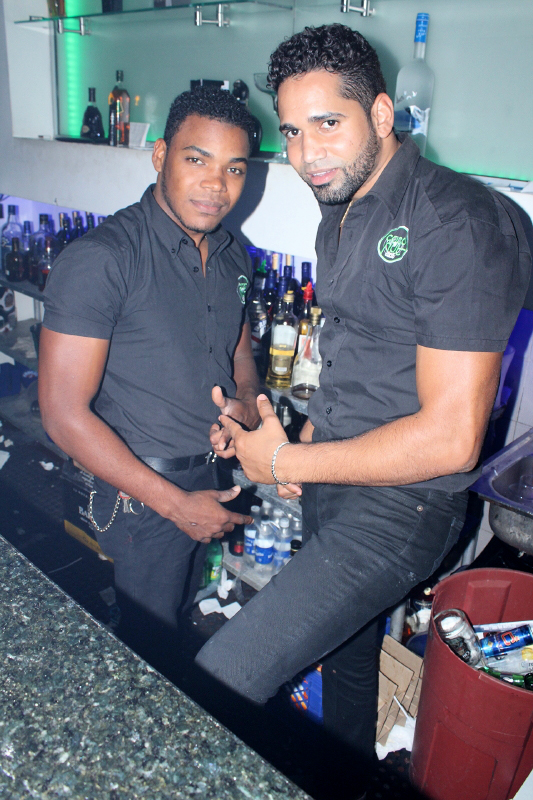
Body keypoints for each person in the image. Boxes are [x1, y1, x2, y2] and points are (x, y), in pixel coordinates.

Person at [196, 25, 531, 798]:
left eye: (327, 123)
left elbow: (451, 439)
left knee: (218, 681)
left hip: (403, 507)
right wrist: (303, 446)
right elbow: (361, 357)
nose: (306, 152)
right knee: (344, 676)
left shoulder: (455, 219)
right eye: (291, 130)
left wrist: (287, 459)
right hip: (337, 484)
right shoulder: (339, 208)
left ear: (381, 114)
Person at [39, 88, 260, 669]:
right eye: (197, 159)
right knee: (144, 656)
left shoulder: (234, 256)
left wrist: (244, 402)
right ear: (160, 155)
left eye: (234, 168)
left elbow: (240, 351)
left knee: (179, 625)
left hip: (209, 479)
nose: (216, 184)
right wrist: (176, 505)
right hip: (141, 496)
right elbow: (61, 413)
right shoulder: (104, 258)